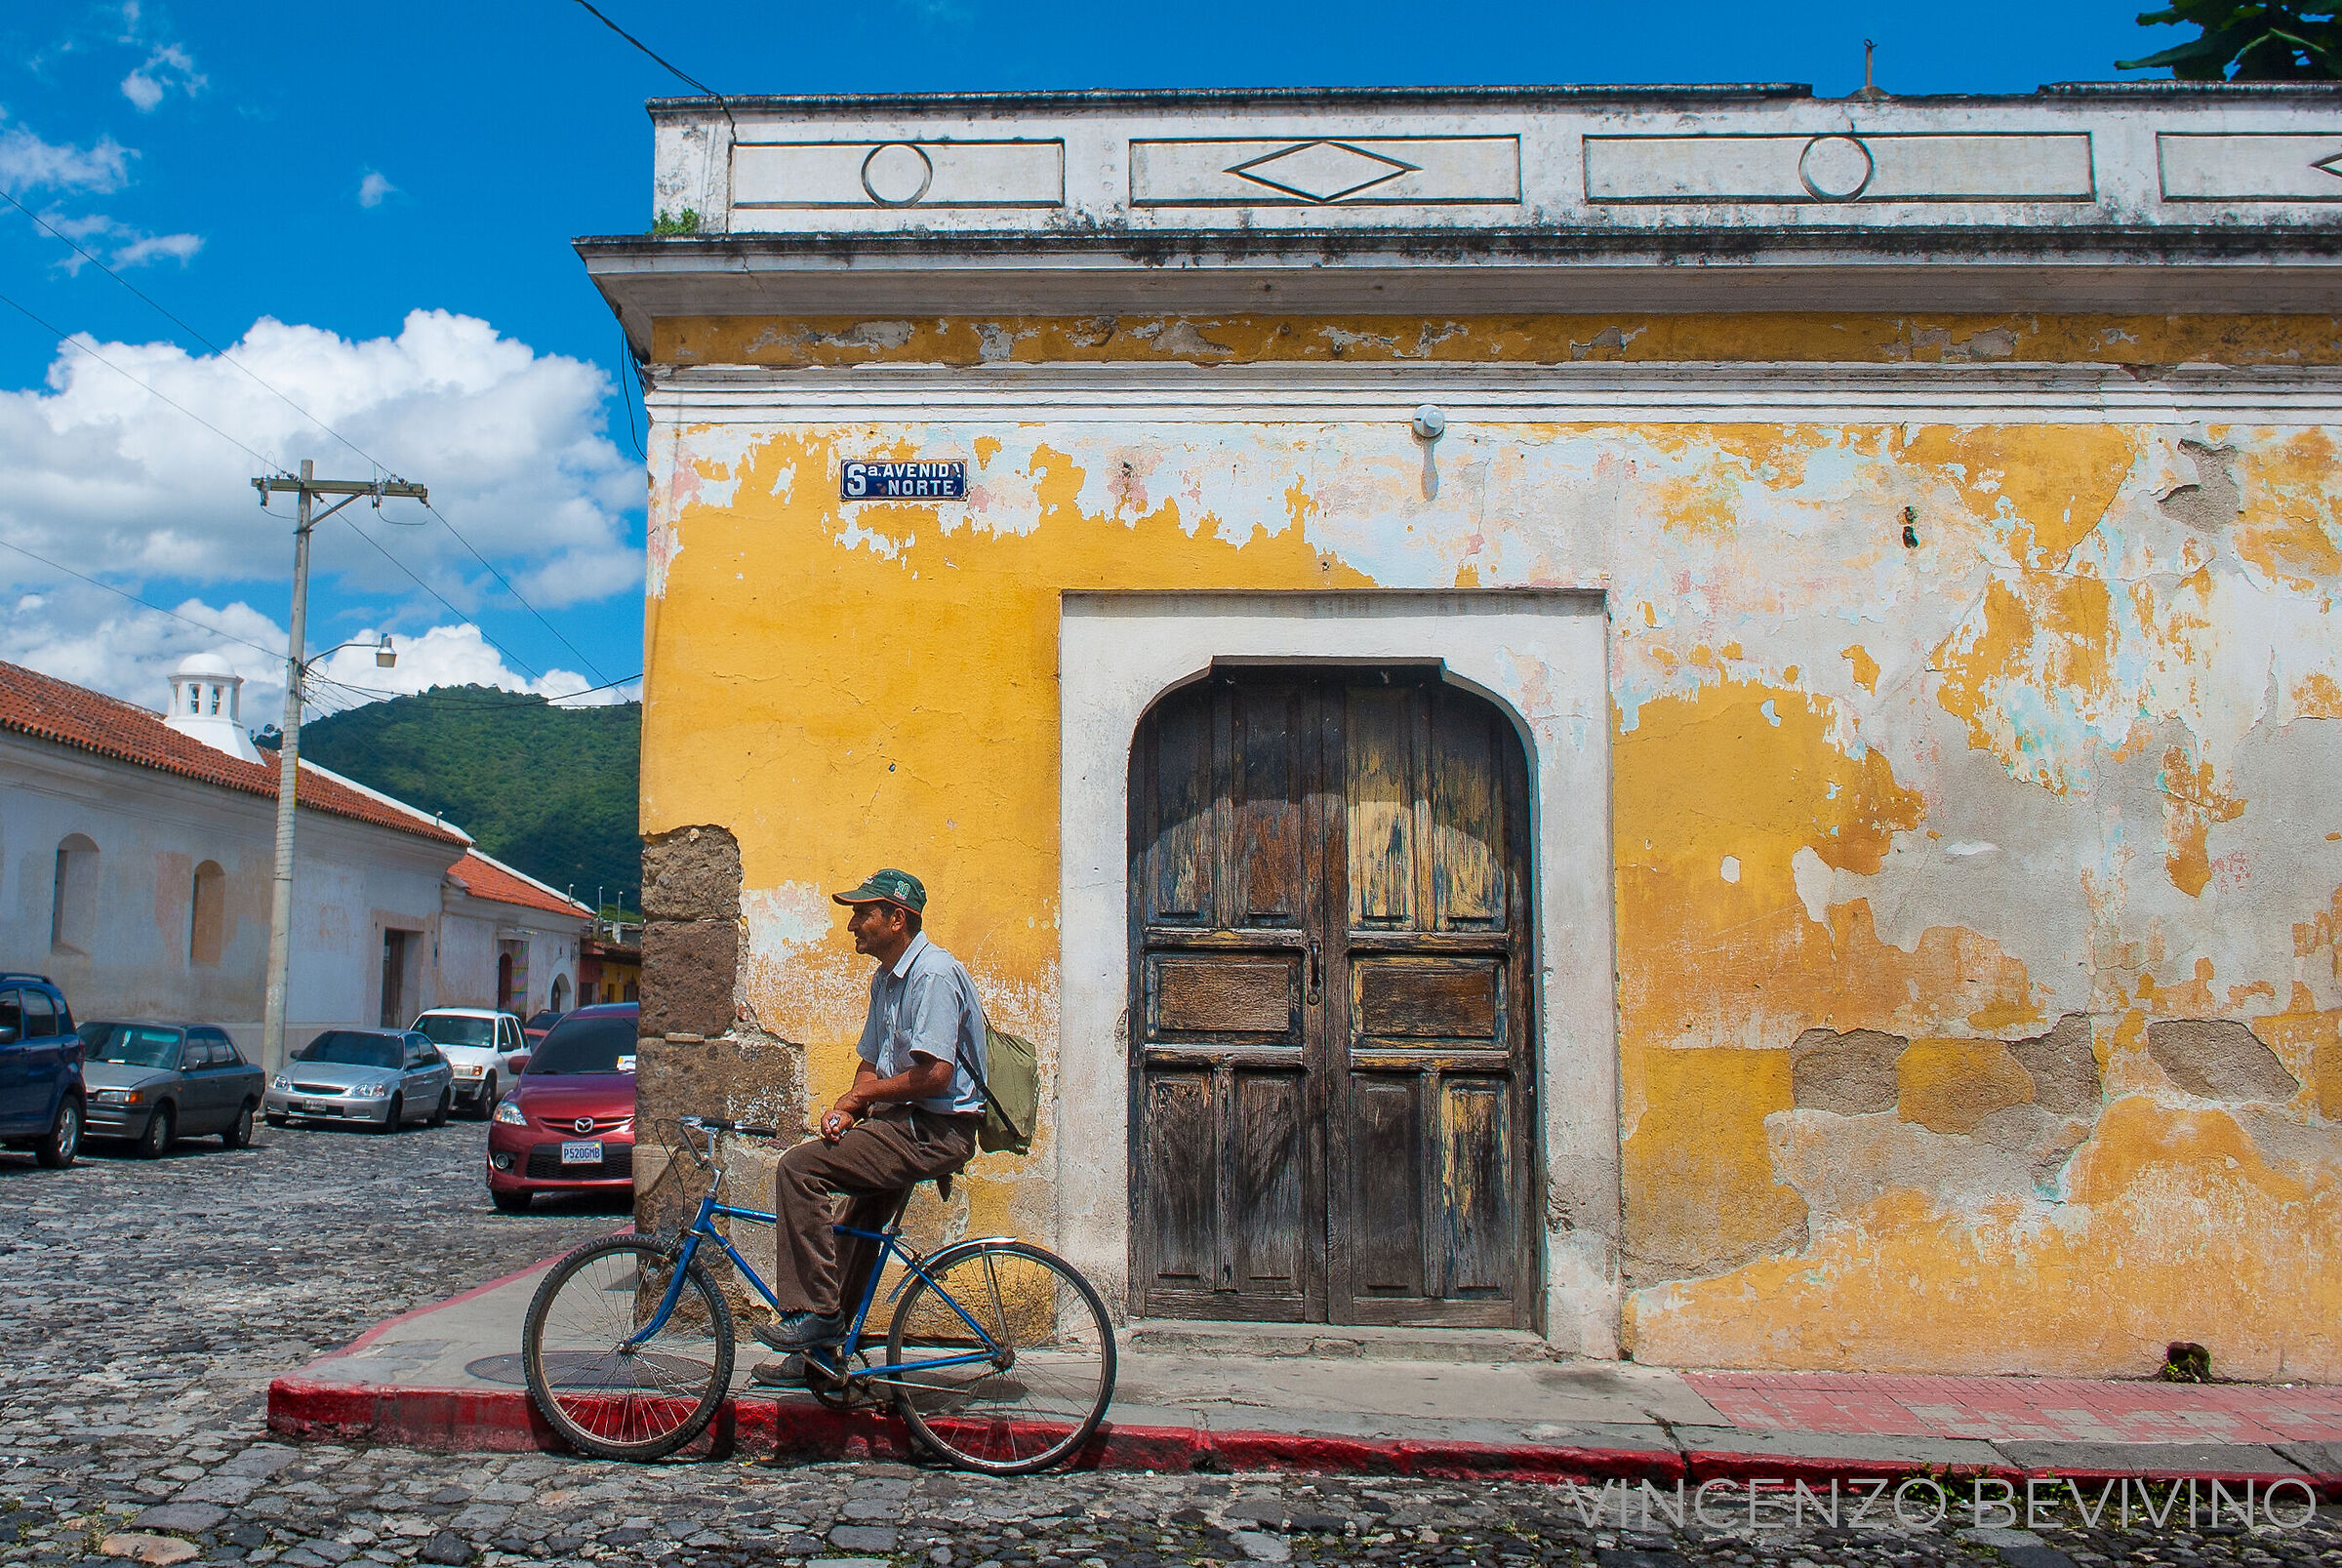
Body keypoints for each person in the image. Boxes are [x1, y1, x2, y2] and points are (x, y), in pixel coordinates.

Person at [751, 868, 988, 1378]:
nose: (853, 924)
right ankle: (823, 1357)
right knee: (856, 1223)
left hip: (934, 1130)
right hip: (904, 1123)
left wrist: (860, 1096)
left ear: (897, 919)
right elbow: (872, 1061)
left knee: (799, 1169)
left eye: (863, 913)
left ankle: (817, 1316)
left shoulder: (933, 975)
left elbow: (935, 1074)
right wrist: (850, 1108)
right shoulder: (887, 976)